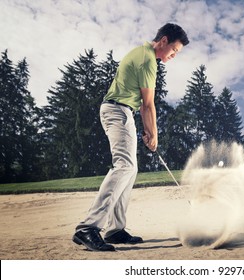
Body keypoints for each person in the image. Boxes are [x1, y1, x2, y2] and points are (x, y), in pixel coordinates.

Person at [72, 23, 189, 251]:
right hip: (118, 110)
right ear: (163, 41)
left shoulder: (143, 54)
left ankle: (115, 229)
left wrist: (148, 131)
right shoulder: (147, 60)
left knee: (129, 168)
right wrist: (153, 135)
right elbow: (148, 105)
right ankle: (88, 227)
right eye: (174, 50)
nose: (174, 56)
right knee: (124, 166)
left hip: (121, 110)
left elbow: (142, 105)